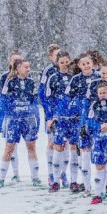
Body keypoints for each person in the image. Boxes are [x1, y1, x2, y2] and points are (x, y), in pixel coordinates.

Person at [0, 59, 41, 188]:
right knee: (9, 148)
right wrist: (8, 115)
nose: (28, 69)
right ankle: (1, 179)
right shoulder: (10, 82)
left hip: (28, 120)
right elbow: (3, 100)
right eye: (26, 67)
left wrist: (35, 117)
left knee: (31, 147)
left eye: (29, 67)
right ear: (18, 68)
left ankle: (35, 178)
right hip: (13, 120)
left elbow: (34, 102)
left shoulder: (31, 83)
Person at [65, 53, 97, 193]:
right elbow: (67, 98)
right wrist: (69, 112)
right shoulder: (75, 80)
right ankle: (84, 183)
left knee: (100, 148)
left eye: (88, 63)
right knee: (82, 149)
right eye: (83, 64)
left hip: (97, 118)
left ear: (92, 63)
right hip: (80, 119)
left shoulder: (99, 77)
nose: (86, 66)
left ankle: (105, 183)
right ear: (79, 66)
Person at [0, 50, 22, 183]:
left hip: (21, 114)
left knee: (17, 145)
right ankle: (12, 174)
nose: (16, 62)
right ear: (10, 62)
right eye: (14, 60)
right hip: (6, 113)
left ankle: (17, 174)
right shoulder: (5, 77)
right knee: (9, 144)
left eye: (19, 60)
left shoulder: (25, 76)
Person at [46, 51, 73, 192]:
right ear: (57, 63)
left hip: (72, 118)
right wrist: (50, 117)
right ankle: (55, 180)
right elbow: (48, 99)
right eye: (61, 62)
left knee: (69, 146)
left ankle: (64, 174)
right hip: (58, 118)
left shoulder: (73, 77)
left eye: (66, 62)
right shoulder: (53, 78)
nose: (64, 65)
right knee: (57, 146)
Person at [38, 44, 62, 188]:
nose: (59, 58)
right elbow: (42, 93)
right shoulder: (49, 71)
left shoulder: (67, 68)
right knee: (52, 141)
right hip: (52, 112)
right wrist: (49, 114)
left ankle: (62, 173)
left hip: (65, 112)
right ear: (51, 57)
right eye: (56, 55)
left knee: (63, 143)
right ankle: (51, 173)